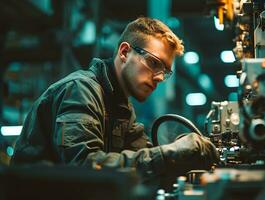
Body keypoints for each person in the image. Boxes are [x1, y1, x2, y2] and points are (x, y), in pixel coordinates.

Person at [11, 17, 218, 179]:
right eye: (154, 63)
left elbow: (144, 161)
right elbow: (84, 169)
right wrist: (170, 153)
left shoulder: (120, 106)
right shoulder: (81, 90)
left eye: (166, 71)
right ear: (125, 52)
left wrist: (182, 154)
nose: (160, 77)